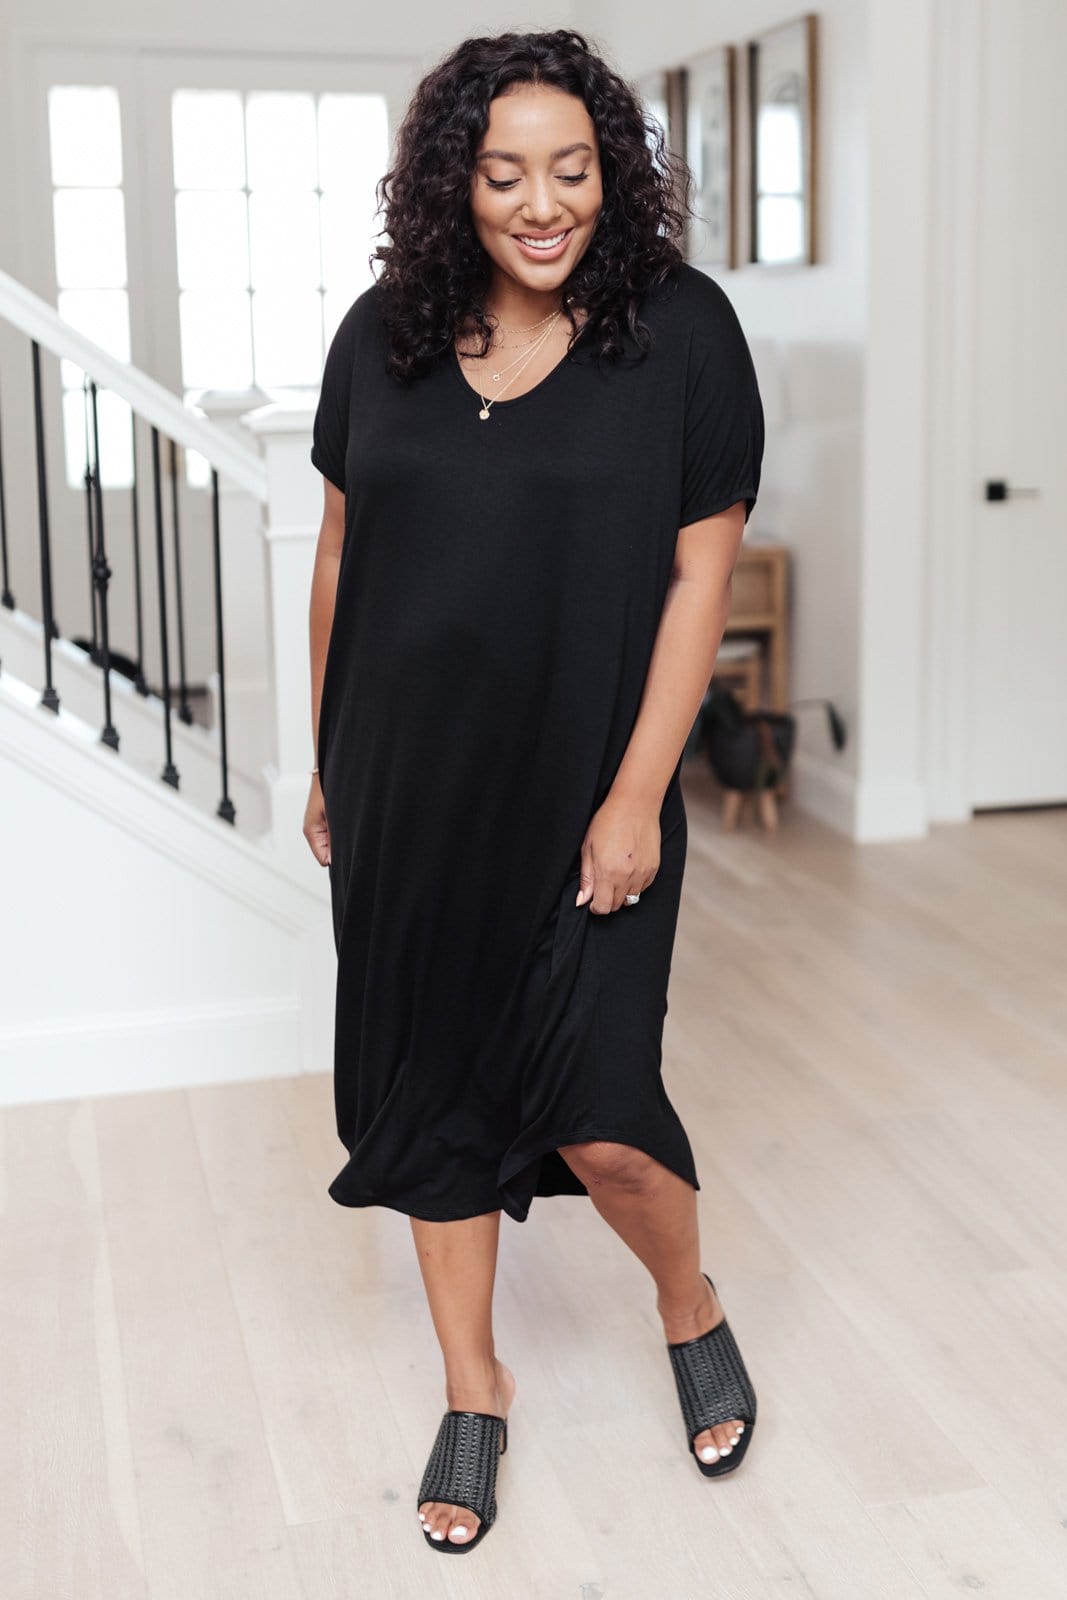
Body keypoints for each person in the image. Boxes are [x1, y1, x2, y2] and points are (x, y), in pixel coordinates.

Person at [304, 28, 764, 1554]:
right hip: (407, 792)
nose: (542, 203)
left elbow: (700, 580)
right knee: (432, 1106)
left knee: (607, 1122)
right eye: (504, 174)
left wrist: (637, 797)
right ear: (456, 184)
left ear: (612, 174)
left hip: (585, 798)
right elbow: (340, 557)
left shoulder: (682, 334)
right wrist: (328, 760)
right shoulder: (382, 335)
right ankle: (474, 1389)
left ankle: (686, 1302)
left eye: (571, 169)